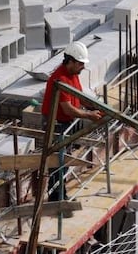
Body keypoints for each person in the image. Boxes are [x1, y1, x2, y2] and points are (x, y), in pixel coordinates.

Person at [41, 41, 103, 203]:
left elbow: (79, 97)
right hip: (57, 124)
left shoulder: (73, 75)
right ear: (71, 61)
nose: (83, 67)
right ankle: (56, 197)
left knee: (65, 160)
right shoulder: (60, 79)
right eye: (80, 64)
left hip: (67, 123)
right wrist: (89, 115)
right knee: (58, 161)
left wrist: (94, 105)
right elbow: (68, 109)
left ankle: (60, 194)